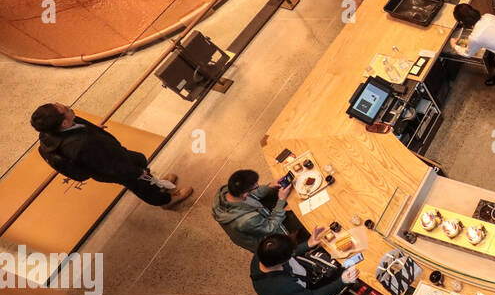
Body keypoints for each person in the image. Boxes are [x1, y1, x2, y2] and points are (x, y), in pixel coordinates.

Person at [30, 102, 192, 208]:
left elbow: (79, 124)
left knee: (140, 161)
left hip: (112, 155)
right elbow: (111, 168)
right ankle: (166, 200)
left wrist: (94, 129)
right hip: (115, 167)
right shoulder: (81, 146)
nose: (68, 107)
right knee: (139, 183)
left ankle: (156, 184)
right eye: (65, 109)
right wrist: (135, 172)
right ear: (64, 123)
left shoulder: (52, 130)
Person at [250, 231, 357, 295]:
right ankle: (348, 294)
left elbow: (290, 254)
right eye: (291, 252)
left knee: (333, 248)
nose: (294, 252)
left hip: (300, 273)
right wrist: (342, 282)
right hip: (309, 292)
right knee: (352, 263)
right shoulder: (282, 288)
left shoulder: (263, 254)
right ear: (283, 260)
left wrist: (308, 244)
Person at [212, 169, 301, 253]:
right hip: (268, 239)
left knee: (276, 193)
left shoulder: (227, 191)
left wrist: (270, 186)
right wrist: (281, 200)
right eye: (256, 186)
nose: (258, 186)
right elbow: (270, 228)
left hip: (257, 218)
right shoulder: (245, 220)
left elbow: (254, 193)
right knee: (299, 219)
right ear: (244, 194)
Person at [452, 3, 495, 86]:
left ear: (461, 22)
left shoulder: (475, 37)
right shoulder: (488, 16)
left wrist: (454, 45)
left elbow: (467, 54)